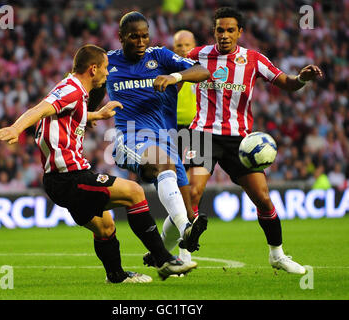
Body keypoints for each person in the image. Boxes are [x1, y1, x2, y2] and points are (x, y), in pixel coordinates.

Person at [0, 44, 196, 283]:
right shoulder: (71, 90)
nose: (108, 73)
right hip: (70, 177)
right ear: (92, 69)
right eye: (105, 68)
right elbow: (39, 109)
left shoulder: (74, 91)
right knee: (134, 192)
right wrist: (16, 128)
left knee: (105, 226)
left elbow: (66, 112)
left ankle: (117, 276)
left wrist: (96, 115)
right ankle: (164, 259)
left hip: (59, 180)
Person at [186, 7, 323, 274]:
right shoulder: (197, 55)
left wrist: (301, 79)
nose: (224, 35)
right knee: (192, 192)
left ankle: (277, 255)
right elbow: (171, 68)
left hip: (239, 140)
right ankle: (179, 253)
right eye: (219, 30)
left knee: (262, 198)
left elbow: (285, 82)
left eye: (229, 30)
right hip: (202, 133)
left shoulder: (253, 59)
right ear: (213, 31)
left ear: (240, 32)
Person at [106, 11, 210, 271]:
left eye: (144, 36)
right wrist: (91, 114)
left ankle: (159, 257)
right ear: (120, 37)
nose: (141, 42)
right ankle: (186, 230)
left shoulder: (160, 56)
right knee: (182, 212)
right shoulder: (107, 62)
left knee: (186, 211)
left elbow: (203, 71)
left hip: (168, 139)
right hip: (131, 136)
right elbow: (86, 88)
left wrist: (175, 77)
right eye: (134, 37)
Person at [159, 29, 198, 266]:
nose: (183, 49)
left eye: (187, 45)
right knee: (179, 190)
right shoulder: (170, 72)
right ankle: (178, 252)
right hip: (173, 132)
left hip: (197, 133)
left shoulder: (199, 71)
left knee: (193, 193)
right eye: (178, 46)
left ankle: (174, 249)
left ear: (194, 46)